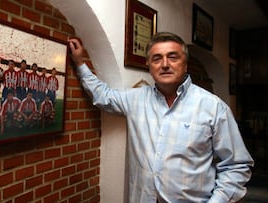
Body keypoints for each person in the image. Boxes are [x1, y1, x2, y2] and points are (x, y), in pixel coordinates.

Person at [68, 32, 254, 202]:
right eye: (157, 59)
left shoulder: (214, 107)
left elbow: (236, 166)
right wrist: (79, 63)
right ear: (149, 66)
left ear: (185, 63)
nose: (165, 64)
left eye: (173, 57)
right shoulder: (136, 99)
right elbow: (103, 95)